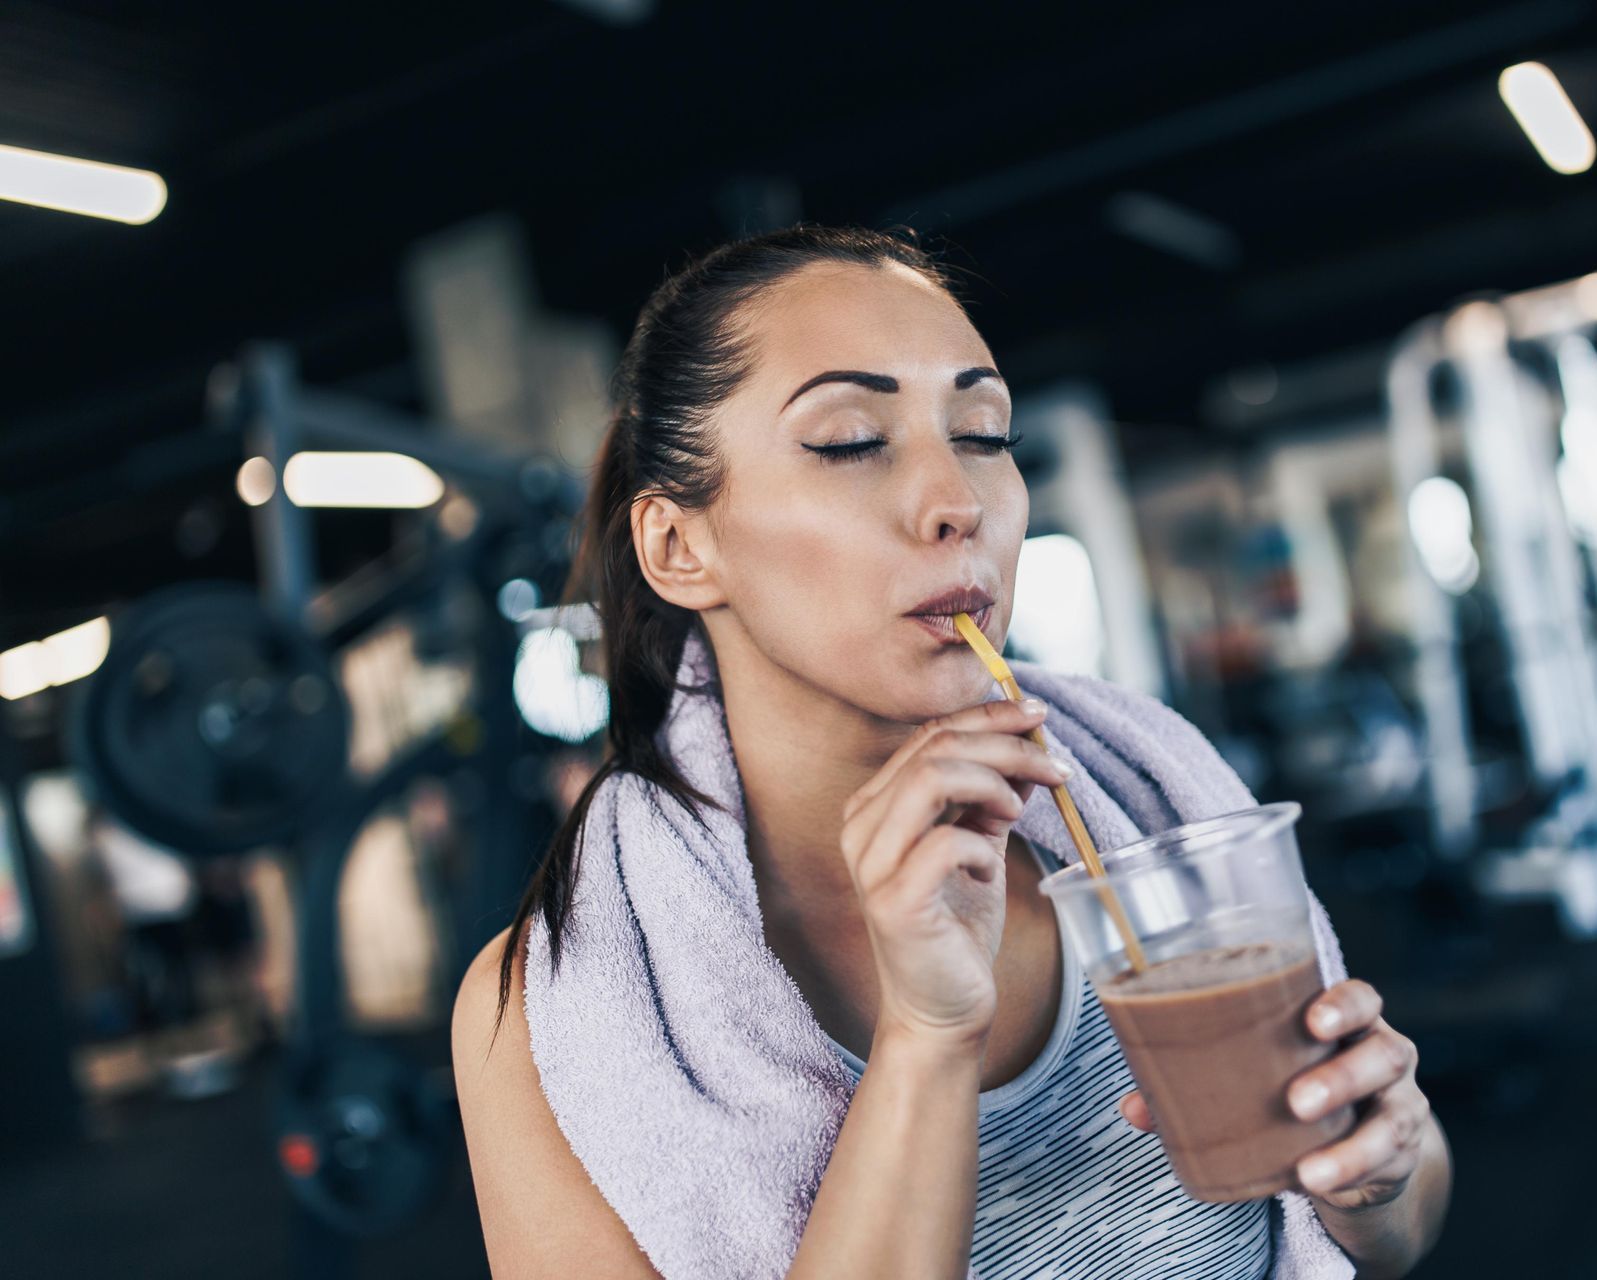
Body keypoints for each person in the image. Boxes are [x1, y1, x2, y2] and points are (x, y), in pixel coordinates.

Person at [450, 225, 1451, 1279]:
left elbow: (1392, 1227)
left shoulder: (1148, 803)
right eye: (849, 440)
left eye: (982, 432)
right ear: (679, 546)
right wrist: (927, 1036)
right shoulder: (547, 1017)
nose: (958, 501)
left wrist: (1382, 1174)